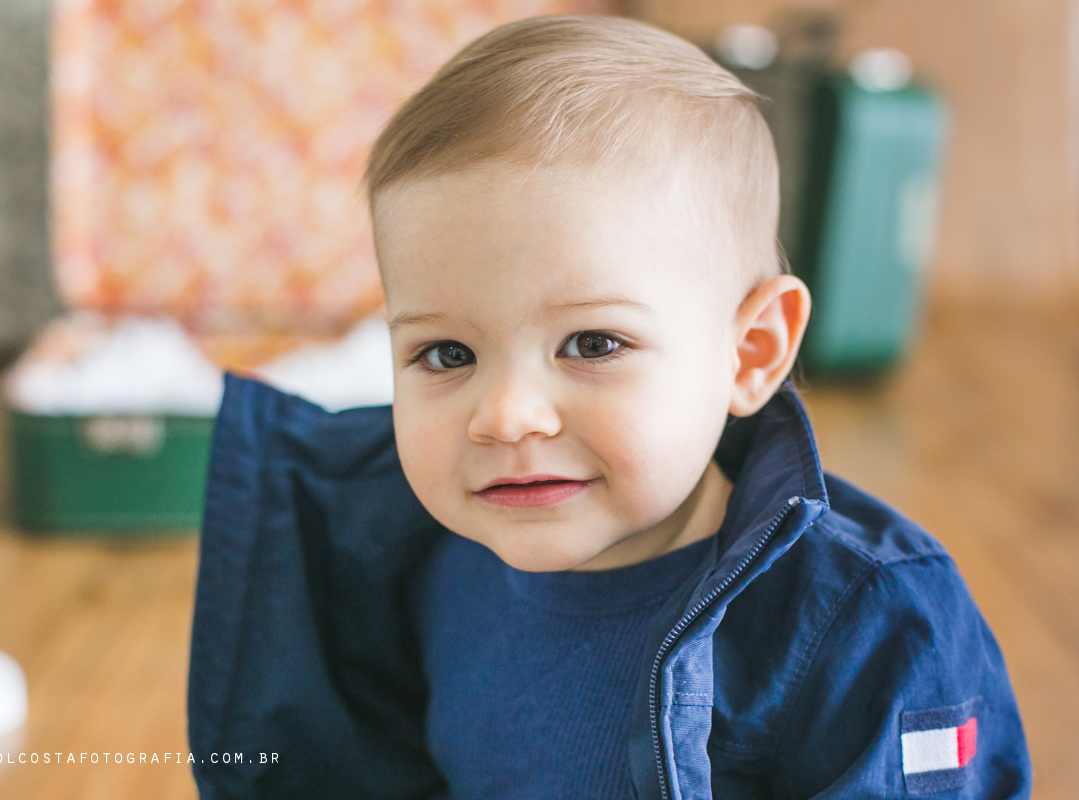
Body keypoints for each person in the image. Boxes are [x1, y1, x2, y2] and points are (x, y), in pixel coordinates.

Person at [188, 15, 1031, 800]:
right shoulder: (415, 564)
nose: (506, 416)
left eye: (592, 344)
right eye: (447, 354)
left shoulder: (871, 625)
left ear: (751, 352)